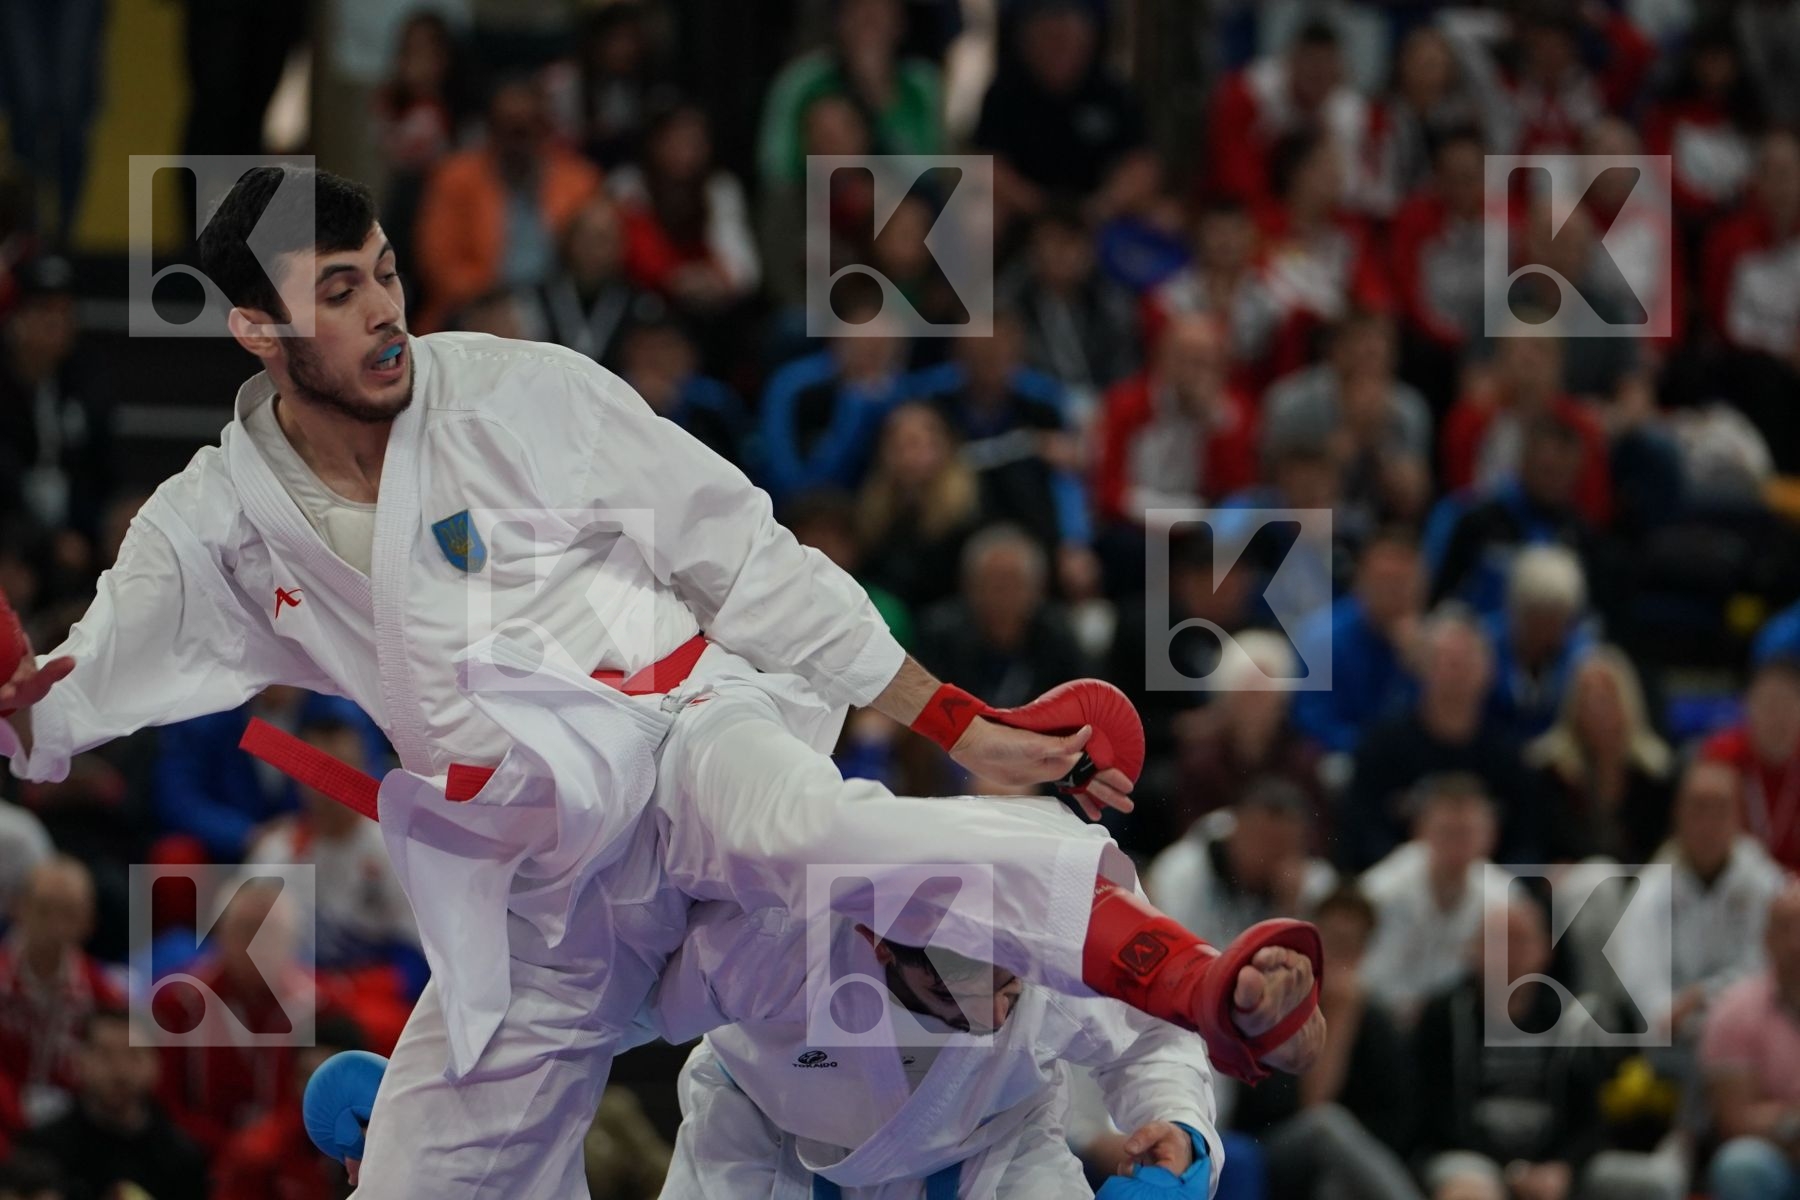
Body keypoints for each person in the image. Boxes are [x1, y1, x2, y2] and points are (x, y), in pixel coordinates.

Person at [0, 166, 1322, 1197]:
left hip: (684, 728)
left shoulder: (520, 395)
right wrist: (28, 706)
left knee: (823, 829)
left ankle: (1184, 976)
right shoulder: (215, 521)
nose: (384, 309)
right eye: (337, 289)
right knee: (424, 1169)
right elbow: (77, 687)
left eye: (387, 274)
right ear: (255, 327)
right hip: (539, 870)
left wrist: (954, 718)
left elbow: (746, 554)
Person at [640, 802, 1224, 1199]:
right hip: (770, 1134)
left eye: (1010, 986)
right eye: (955, 989)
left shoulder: (1060, 927)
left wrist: (1179, 1125)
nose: (998, 1014)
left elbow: (1150, 1038)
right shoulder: (776, 933)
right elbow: (613, 1013)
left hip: (996, 1142)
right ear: (878, 941)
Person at [1230, 888, 1424, 1200]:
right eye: (1331, 942)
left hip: (1345, 1163)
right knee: (1327, 1125)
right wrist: (1338, 1021)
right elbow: (1302, 1109)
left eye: (1350, 945)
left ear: (1364, 952)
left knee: (1335, 1186)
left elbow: (1398, 1122)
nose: (1338, 956)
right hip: (1272, 1150)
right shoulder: (1275, 1008)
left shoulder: (1376, 1020)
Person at [1342, 607, 1532, 870]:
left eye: (1466, 662)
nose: (1457, 674)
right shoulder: (1383, 745)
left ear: (1488, 672)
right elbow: (1362, 831)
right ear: (1421, 667)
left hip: (1486, 888)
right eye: (1447, 662)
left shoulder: (1507, 754)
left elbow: (1527, 841)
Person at [412, 74, 604, 332]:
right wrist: (498, 300)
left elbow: (598, 261)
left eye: (526, 127)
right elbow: (439, 264)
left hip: (562, 311)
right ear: (490, 128)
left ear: (544, 126)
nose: (518, 140)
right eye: (508, 127)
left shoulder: (580, 180)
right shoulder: (455, 178)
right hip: (477, 306)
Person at [1614, 760, 1783, 1049]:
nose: (1708, 823)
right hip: (1673, 1040)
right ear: (1677, 815)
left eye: (1720, 809)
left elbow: (1771, 967)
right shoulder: (1651, 889)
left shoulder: (1766, 885)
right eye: (1698, 809)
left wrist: (1707, 996)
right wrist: (1666, 1014)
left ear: (1739, 817)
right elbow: (1637, 974)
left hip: (1752, 1037)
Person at [23, 1008, 208, 1200]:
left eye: (133, 1055)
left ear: (156, 1064)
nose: (120, 1070)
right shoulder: (43, 1152)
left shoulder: (183, 1157)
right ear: (78, 1061)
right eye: (105, 1055)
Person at [1356, 775, 1496, 1027]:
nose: (1457, 844)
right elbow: (1363, 975)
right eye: (1447, 832)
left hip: (1458, 1029)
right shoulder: (1380, 891)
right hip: (1383, 1023)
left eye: (1467, 832)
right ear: (1420, 830)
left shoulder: (1504, 899)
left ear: (1489, 835)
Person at [0, 858, 122, 1136]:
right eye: (43, 910)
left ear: (89, 922)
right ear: (18, 908)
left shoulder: (103, 993)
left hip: (73, 1131)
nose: (55, 926)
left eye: (68, 914)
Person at [1146, 779, 1338, 950]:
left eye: (1282, 847)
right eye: (1261, 841)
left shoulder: (1316, 887)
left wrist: (1289, 912)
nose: (1269, 856)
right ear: (1235, 829)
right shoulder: (1181, 871)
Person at [1523, 646, 1673, 866]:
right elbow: (1531, 846)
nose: (1596, 707)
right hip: (1571, 888)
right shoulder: (1548, 771)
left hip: (1640, 887)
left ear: (1626, 703)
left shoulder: (1655, 774)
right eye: (1588, 696)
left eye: (1605, 697)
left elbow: (1661, 851)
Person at [1702, 881, 1800, 1200]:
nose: (1797, 943)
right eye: (1786, 928)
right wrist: (1791, 1123)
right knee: (1739, 1164)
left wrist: (1777, 1116)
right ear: (1766, 938)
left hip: (1783, 1135)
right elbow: (1736, 1120)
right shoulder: (1733, 1011)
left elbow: (1757, 1115)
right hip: (1776, 1163)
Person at [1700, 656, 1800, 871]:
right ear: (1747, 706)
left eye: (1788, 704)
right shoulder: (1722, 758)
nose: (1778, 717)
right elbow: (1701, 838)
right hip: (1735, 887)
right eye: (1769, 704)